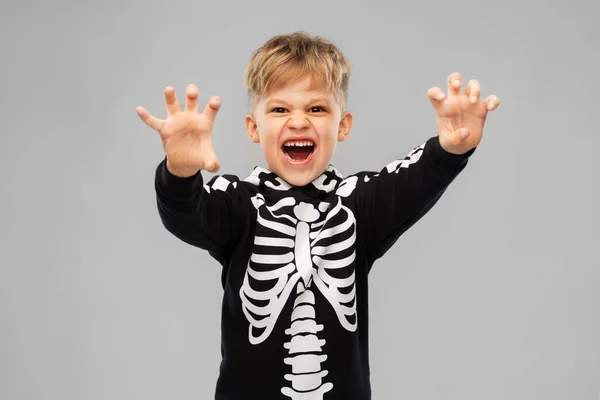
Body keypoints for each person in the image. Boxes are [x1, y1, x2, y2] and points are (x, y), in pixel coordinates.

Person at [136, 31, 499, 400]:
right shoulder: (239, 204)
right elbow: (187, 212)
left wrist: (450, 150)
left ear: (342, 126)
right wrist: (179, 172)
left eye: (316, 109)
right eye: (279, 109)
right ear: (252, 127)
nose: (298, 122)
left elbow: (412, 182)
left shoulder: (357, 204)